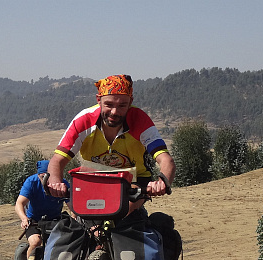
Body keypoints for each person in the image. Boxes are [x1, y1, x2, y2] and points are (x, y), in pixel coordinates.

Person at [45, 74, 175, 218]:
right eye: (109, 105)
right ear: (98, 100)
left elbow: (165, 160)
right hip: (95, 179)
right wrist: (56, 182)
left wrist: (162, 182)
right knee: (85, 223)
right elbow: (57, 160)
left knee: (123, 214)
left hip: (134, 182)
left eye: (122, 105)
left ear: (131, 102)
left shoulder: (140, 120)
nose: (114, 112)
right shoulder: (83, 120)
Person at [15, 160, 71, 260]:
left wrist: (75, 218)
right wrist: (24, 218)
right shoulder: (31, 182)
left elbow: (72, 206)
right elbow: (19, 203)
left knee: (62, 244)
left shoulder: (61, 184)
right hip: (34, 220)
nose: (45, 180)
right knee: (35, 242)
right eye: (42, 177)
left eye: (48, 176)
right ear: (38, 175)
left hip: (55, 219)